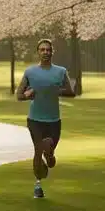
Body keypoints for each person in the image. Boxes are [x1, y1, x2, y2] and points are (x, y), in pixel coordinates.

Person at [16, 38, 77, 198]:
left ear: (52, 52)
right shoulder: (30, 72)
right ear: (38, 52)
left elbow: (71, 92)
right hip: (35, 119)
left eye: (48, 50)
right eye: (42, 50)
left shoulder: (60, 71)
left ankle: (49, 157)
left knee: (48, 149)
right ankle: (38, 186)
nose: (45, 52)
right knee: (38, 150)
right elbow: (19, 95)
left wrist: (58, 90)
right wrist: (27, 94)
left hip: (53, 121)